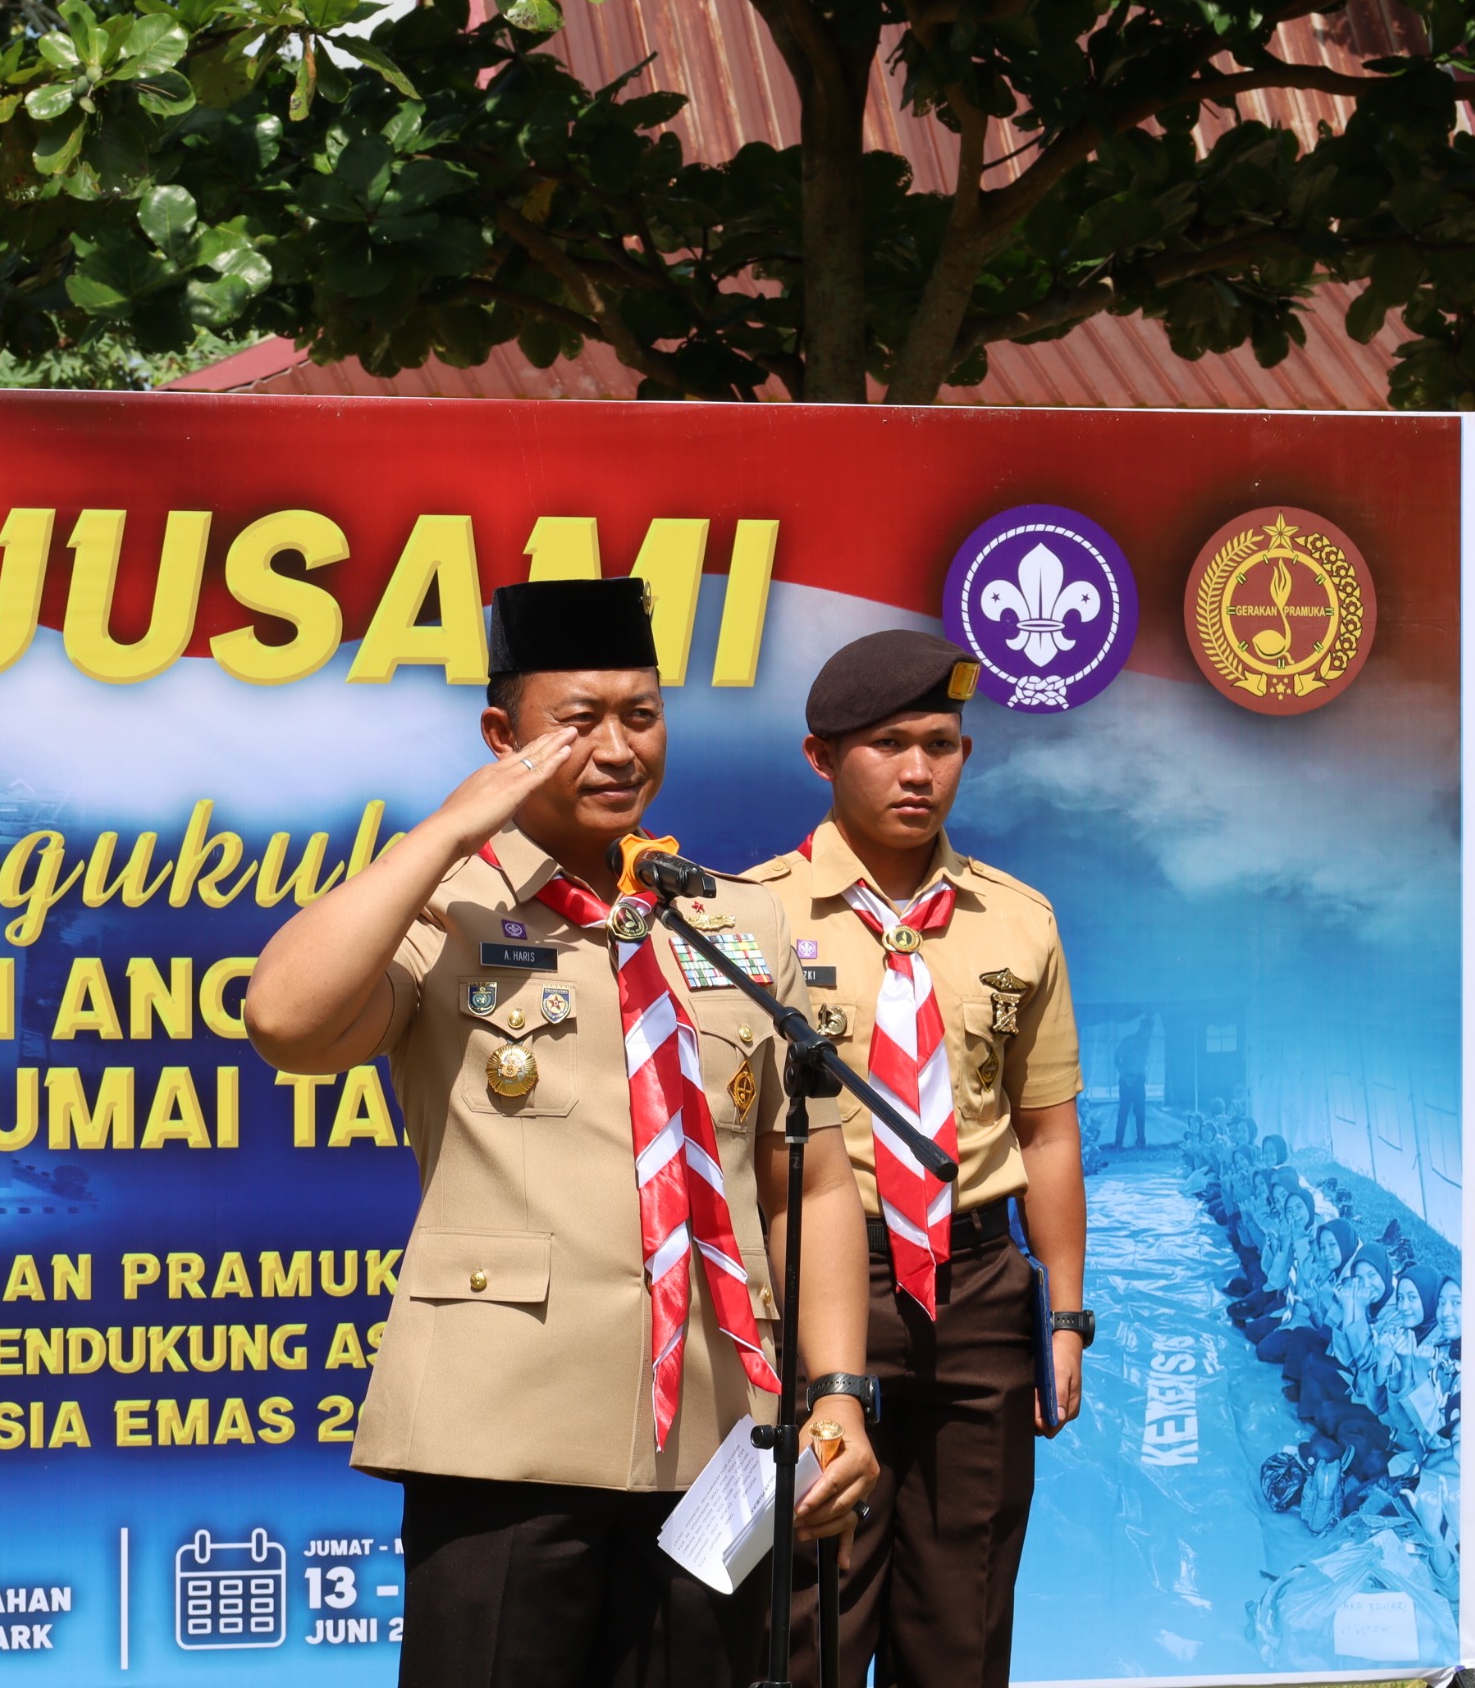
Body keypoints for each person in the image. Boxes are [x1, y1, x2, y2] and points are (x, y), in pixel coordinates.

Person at [245, 578, 879, 1688]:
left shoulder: (734, 920)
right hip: (503, 1435)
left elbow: (811, 1184)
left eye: (642, 715)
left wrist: (837, 1394)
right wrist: (450, 829)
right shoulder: (445, 909)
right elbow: (285, 1021)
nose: (619, 749)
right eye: (578, 721)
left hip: (722, 1435)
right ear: (503, 736)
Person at [745, 629, 1088, 1688]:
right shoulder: (749, 917)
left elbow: (1046, 1129)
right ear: (820, 757)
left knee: (963, 1611)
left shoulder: (1017, 921)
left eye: (939, 745)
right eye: (887, 744)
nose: (916, 771)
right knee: (811, 1606)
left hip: (975, 1288)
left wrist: (1065, 1315)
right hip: (816, 1280)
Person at [1111, 1013, 1155, 1148]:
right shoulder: (1128, 1041)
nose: (1149, 1034)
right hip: (1126, 1080)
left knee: (1140, 1112)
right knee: (1123, 1112)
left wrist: (1139, 1077)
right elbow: (1116, 1059)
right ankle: (1118, 1142)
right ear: (1142, 1029)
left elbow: (1143, 1064)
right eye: (1148, 1031)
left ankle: (1141, 1141)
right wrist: (1125, 1075)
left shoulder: (1146, 1045)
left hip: (1139, 1081)